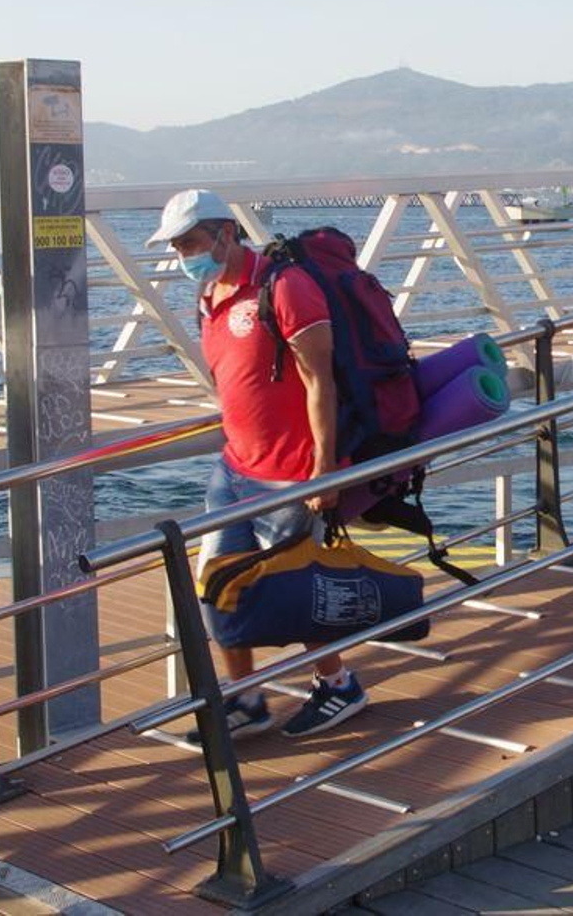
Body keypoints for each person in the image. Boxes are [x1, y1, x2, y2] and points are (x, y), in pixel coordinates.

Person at [146, 189, 366, 740]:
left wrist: (323, 470)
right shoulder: (208, 293)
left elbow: (320, 381)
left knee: (292, 592)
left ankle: (339, 685)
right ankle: (246, 698)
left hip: (290, 474)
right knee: (220, 588)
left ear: (225, 232)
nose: (183, 255)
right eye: (175, 247)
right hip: (234, 468)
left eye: (190, 242)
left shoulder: (285, 287)